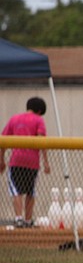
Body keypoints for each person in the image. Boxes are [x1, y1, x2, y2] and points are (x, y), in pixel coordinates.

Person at [1, 97, 51, 228]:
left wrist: (1, 159)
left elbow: (3, 140)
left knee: (16, 190)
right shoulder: (39, 120)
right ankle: (28, 220)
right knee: (30, 190)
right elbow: (42, 141)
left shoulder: (14, 119)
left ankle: (18, 218)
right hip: (32, 162)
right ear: (39, 111)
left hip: (16, 160)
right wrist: (46, 162)